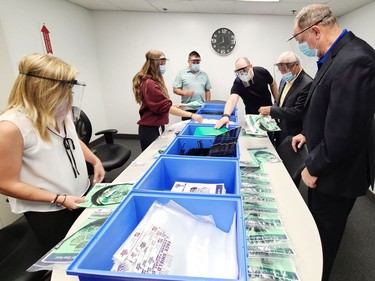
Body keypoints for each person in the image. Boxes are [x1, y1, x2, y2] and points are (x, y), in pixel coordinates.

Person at [289, 4, 375, 280]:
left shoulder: (356, 59)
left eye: (304, 42)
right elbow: (330, 109)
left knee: (322, 245)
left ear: (316, 30)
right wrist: (308, 134)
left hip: (336, 173)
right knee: (314, 233)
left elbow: (345, 132)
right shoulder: (336, 55)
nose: (307, 48)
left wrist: (312, 167)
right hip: (328, 162)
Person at [0, 53, 105, 252]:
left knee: (90, 247)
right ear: (46, 89)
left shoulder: (59, 111)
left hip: (80, 195)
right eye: (66, 88)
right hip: (49, 210)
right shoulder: (11, 127)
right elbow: (5, 183)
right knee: (66, 260)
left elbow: (71, 141)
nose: (70, 94)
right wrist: (58, 199)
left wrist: (95, 161)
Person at [133, 50, 203, 151]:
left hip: (156, 126)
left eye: (164, 64)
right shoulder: (150, 84)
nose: (163, 67)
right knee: (150, 157)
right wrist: (192, 115)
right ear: (154, 64)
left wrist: (175, 105)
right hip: (149, 129)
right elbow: (165, 107)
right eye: (161, 64)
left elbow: (158, 105)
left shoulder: (153, 81)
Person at [258, 51, 312, 147]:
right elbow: (279, 102)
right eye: (281, 70)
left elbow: (297, 112)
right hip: (281, 130)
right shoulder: (285, 80)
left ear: (296, 65)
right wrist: (270, 113)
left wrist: (271, 110)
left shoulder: (307, 83)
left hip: (294, 135)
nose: (283, 73)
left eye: (285, 70)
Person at [215, 57, 278, 129]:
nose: (242, 74)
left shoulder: (261, 72)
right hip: (252, 117)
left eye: (244, 70)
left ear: (251, 66)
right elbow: (232, 99)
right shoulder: (238, 82)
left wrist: (278, 103)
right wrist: (226, 116)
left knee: (273, 135)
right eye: (239, 72)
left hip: (269, 113)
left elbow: (273, 84)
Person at [173, 51, 212, 119]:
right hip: (187, 109)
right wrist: (185, 93)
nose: (196, 64)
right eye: (193, 62)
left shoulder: (204, 74)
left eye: (198, 62)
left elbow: (207, 90)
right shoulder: (181, 73)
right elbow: (175, 89)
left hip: (201, 108)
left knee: (200, 128)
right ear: (188, 61)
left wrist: (207, 103)